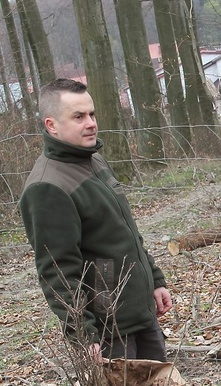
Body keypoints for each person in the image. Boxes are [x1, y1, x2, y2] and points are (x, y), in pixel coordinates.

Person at [19, 78, 172, 362]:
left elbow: (125, 232)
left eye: (91, 114)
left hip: (140, 314)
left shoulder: (94, 159)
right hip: (108, 331)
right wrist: (84, 336)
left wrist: (154, 279)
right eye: (78, 117)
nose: (90, 123)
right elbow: (58, 272)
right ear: (51, 125)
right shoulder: (47, 187)